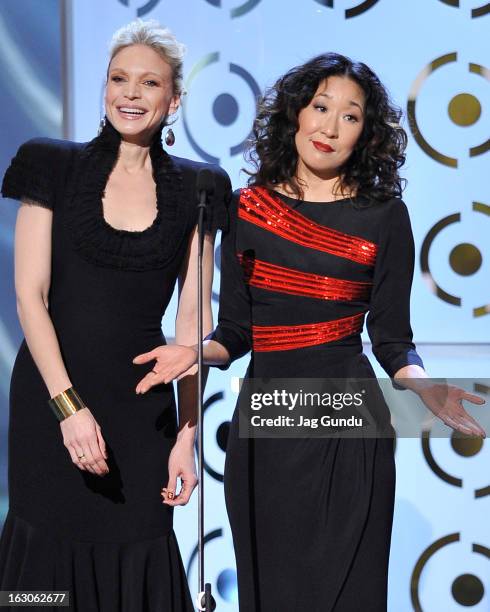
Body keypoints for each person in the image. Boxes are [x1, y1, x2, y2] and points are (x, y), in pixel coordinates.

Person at [132, 53, 486, 611]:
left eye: (350, 116)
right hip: (268, 428)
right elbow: (236, 331)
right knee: (271, 591)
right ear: (295, 114)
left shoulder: (385, 215)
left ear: (365, 134)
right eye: (321, 107)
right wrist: (195, 354)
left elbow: (393, 339)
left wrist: (422, 386)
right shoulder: (246, 208)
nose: (329, 126)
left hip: (348, 426)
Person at [0, 19, 229, 611]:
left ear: (173, 99)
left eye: (148, 83)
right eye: (118, 79)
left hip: (140, 412)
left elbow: (192, 323)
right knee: (44, 581)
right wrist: (69, 409)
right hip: (53, 405)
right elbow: (30, 297)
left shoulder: (201, 187)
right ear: (103, 89)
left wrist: (187, 434)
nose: (130, 93)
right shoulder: (50, 163)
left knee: (137, 561)